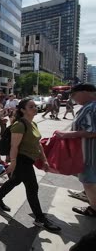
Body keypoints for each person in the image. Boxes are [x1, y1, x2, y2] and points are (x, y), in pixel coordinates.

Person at [0, 98, 61, 232]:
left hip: (29, 159)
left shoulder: (33, 123)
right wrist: (12, 163)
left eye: (35, 106)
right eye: (31, 107)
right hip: (21, 160)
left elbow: (38, 143)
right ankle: (40, 218)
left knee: (15, 181)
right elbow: (14, 146)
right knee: (32, 188)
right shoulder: (19, 125)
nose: (35, 108)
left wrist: (45, 160)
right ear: (23, 110)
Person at [54, 83, 96, 218]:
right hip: (86, 152)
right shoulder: (89, 106)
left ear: (84, 92)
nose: (72, 98)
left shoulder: (91, 107)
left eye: (73, 95)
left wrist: (65, 135)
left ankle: (94, 208)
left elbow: (91, 131)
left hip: (89, 155)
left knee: (88, 181)